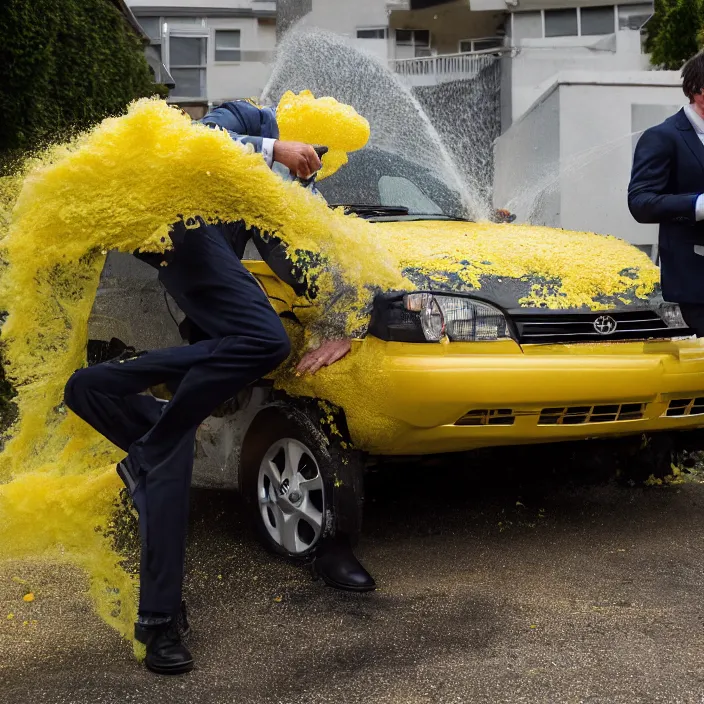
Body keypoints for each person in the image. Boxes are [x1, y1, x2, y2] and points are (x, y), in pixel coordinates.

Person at [63, 100, 375, 677]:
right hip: (172, 228)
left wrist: (349, 318)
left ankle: (157, 623)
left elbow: (301, 262)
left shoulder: (278, 192)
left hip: (208, 345)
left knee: (167, 465)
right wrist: (272, 148)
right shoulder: (243, 121)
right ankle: (95, 391)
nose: (309, 164)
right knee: (263, 342)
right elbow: (192, 146)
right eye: (308, 150)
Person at [629, 51, 704, 335]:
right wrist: (699, 204)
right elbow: (640, 202)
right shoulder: (662, 136)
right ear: (698, 90)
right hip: (695, 284)